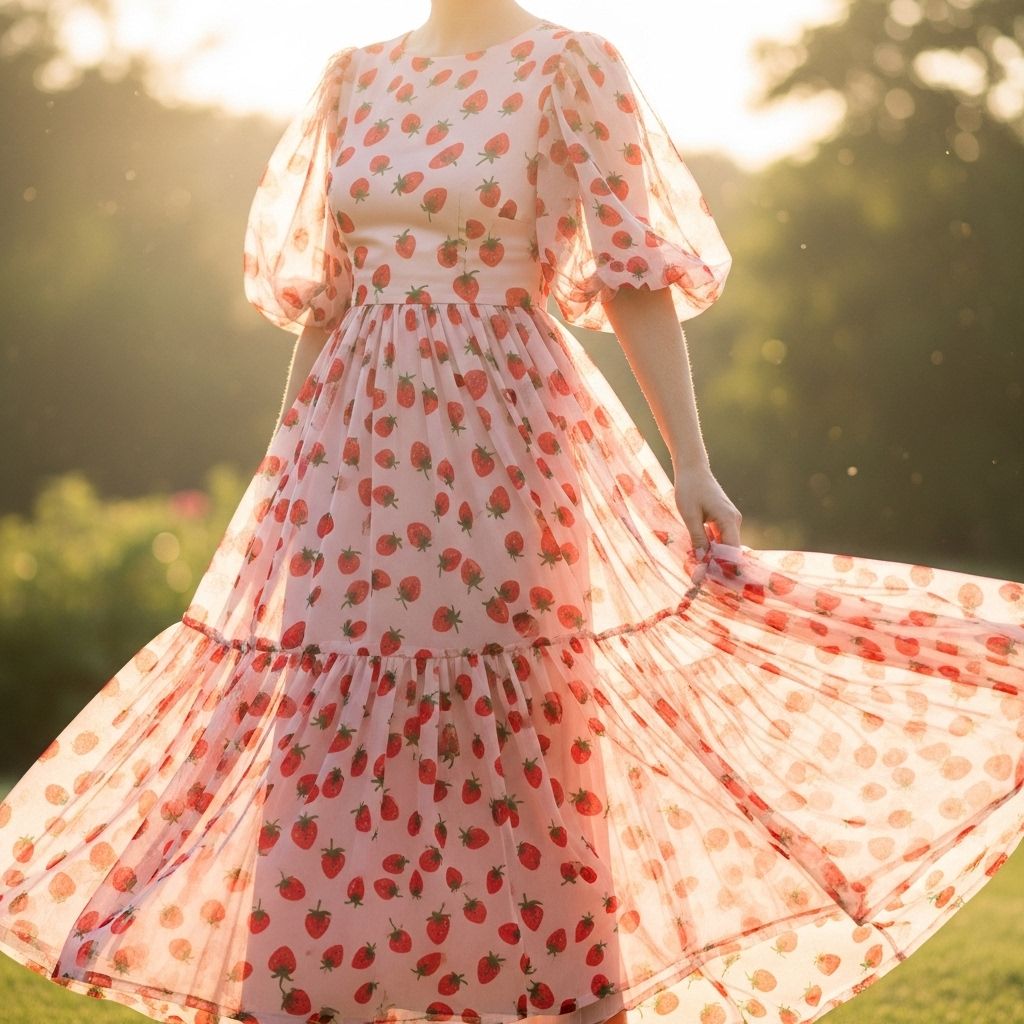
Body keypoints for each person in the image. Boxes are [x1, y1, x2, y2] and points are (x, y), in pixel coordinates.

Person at [0, 3, 1021, 1024]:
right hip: (350, 461)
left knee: (519, 733)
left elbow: (633, 278)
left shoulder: (572, 67)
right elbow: (327, 304)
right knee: (332, 730)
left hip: (504, 445)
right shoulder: (352, 78)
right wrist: (284, 465)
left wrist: (691, 462)